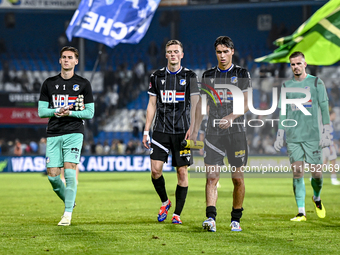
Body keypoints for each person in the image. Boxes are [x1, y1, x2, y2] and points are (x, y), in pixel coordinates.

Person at [194, 36, 251, 232]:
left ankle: (236, 219)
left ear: (232, 52)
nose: (222, 55)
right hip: (213, 133)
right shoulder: (208, 75)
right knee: (211, 177)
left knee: (237, 178)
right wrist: (195, 130)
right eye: (219, 52)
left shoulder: (242, 74)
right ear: (215, 53)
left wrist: (232, 116)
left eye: (226, 51)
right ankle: (210, 218)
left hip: (236, 132)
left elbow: (246, 103)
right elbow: (201, 105)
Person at [142, 40, 200, 224]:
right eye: (169, 51)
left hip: (183, 131)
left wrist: (194, 127)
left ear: (182, 55)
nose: (173, 54)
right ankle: (165, 202)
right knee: (155, 171)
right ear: (166, 55)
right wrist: (146, 131)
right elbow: (151, 105)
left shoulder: (190, 76)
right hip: (160, 130)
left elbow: (196, 104)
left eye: (176, 51)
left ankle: (177, 214)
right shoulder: (156, 76)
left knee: (182, 173)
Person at [38, 46, 94, 226]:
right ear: (60, 61)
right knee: (53, 176)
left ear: (76, 61)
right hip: (53, 133)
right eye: (64, 57)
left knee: (70, 173)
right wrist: (57, 111)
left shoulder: (84, 84)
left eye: (70, 57)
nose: (67, 60)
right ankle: (70, 201)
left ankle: (67, 214)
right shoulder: (49, 83)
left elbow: (89, 113)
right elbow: (41, 112)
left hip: (74, 132)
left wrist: (69, 114)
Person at [274, 51, 330, 222]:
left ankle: (317, 197)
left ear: (305, 64)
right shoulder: (286, 86)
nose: (296, 67)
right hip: (294, 137)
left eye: (298, 63)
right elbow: (283, 112)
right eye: (292, 64)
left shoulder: (315, 82)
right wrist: (280, 134)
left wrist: (326, 131)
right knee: (297, 172)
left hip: (313, 136)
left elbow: (324, 107)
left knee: (317, 175)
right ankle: (301, 212)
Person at [322, 110, 339, 185]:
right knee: (333, 161)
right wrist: (330, 147)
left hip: (328, 145)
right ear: (330, 115)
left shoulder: (328, 123)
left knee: (324, 162)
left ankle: (315, 176)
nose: (335, 116)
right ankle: (333, 178)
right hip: (329, 146)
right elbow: (327, 135)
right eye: (334, 115)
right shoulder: (328, 123)